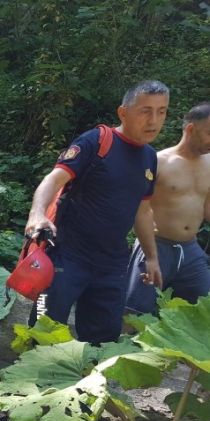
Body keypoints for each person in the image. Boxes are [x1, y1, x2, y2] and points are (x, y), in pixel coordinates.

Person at [24, 80, 169, 344]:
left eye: (162, 111)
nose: (154, 120)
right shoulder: (97, 141)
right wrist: (37, 214)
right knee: (44, 326)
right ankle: (29, 380)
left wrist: (151, 257)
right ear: (123, 113)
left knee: (104, 339)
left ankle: (87, 383)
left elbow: (143, 211)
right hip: (67, 254)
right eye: (145, 110)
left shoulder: (150, 157)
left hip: (111, 264)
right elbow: (54, 179)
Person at [126, 102, 210, 313]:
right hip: (155, 246)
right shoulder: (159, 161)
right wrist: (150, 254)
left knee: (203, 311)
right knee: (135, 313)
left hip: (191, 250)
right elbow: (138, 210)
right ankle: (120, 347)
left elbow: (206, 208)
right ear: (191, 129)